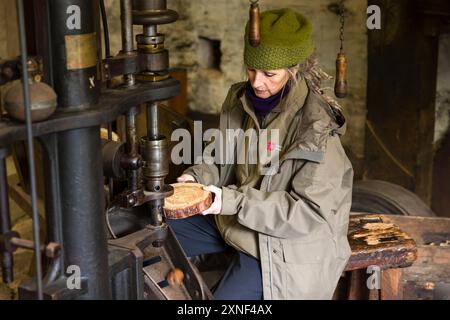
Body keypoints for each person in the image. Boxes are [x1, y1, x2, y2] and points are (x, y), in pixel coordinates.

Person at [168, 8, 353, 300]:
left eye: (269, 74)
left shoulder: (316, 127)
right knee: (154, 236)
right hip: (238, 220)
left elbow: (307, 214)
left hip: (283, 243)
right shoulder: (239, 99)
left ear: (294, 70)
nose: (256, 82)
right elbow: (220, 156)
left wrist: (228, 201)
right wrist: (196, 177)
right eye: (251, 69)